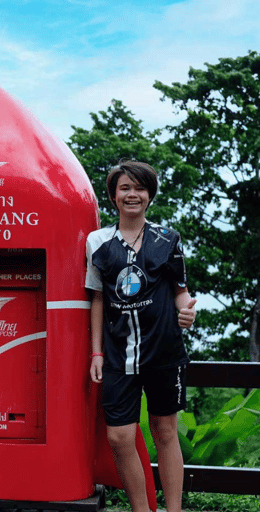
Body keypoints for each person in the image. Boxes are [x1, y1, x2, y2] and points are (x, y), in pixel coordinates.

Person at [85, 161, 197, 512]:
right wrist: (96, 353)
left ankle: (174, 509)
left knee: (165, 432)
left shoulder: (168, 239)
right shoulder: (97, 242)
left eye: (139, 188)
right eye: (124, 188)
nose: (132, 194)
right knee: (119, 437)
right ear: (114, 196)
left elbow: (181, 290)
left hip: (164, 351)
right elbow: (97, 298)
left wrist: (187, 310)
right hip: (119, 355)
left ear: (149, 195)